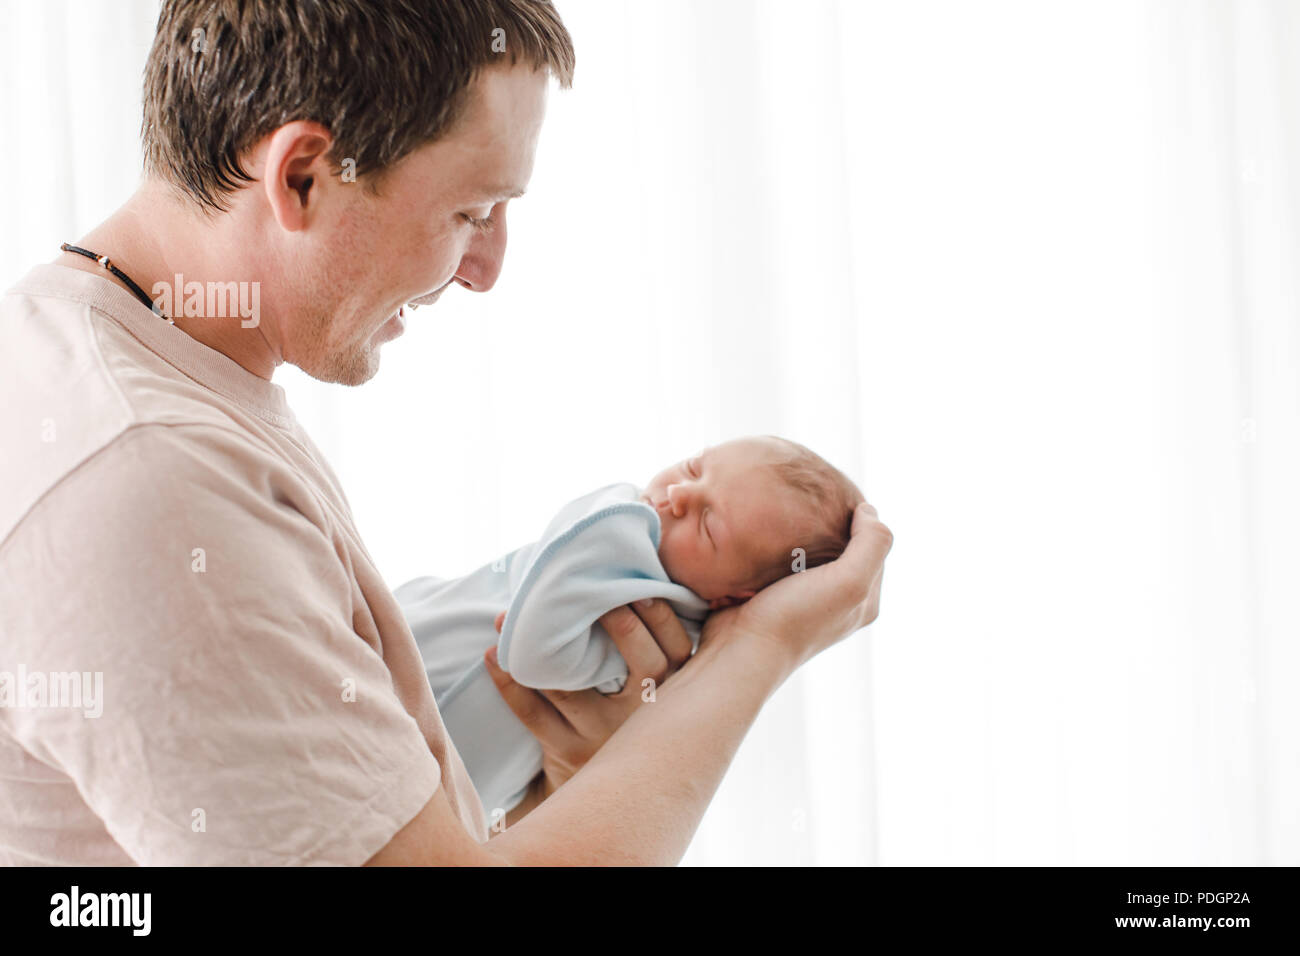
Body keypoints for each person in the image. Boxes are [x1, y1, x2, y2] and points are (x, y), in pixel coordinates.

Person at [0, 0, 891, 866]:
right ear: (303, 175)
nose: (488, 268)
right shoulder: (149, 480)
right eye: (473, 211)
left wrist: (576, 776)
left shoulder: (149, 379)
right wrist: (758, 649)